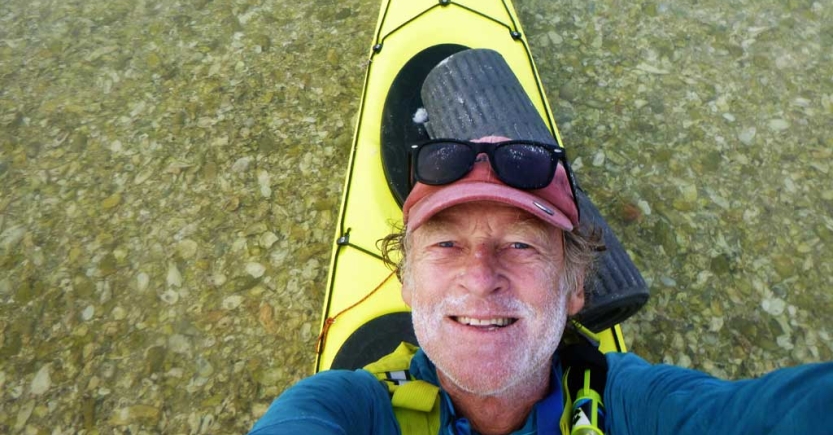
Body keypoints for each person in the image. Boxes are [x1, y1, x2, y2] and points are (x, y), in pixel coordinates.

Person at [249, 134, 832, 434]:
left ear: (575, 288)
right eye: (447, 243)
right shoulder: (339, 406)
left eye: (522, 245)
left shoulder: (635, 405)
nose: (480, 277)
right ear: (406, 281)